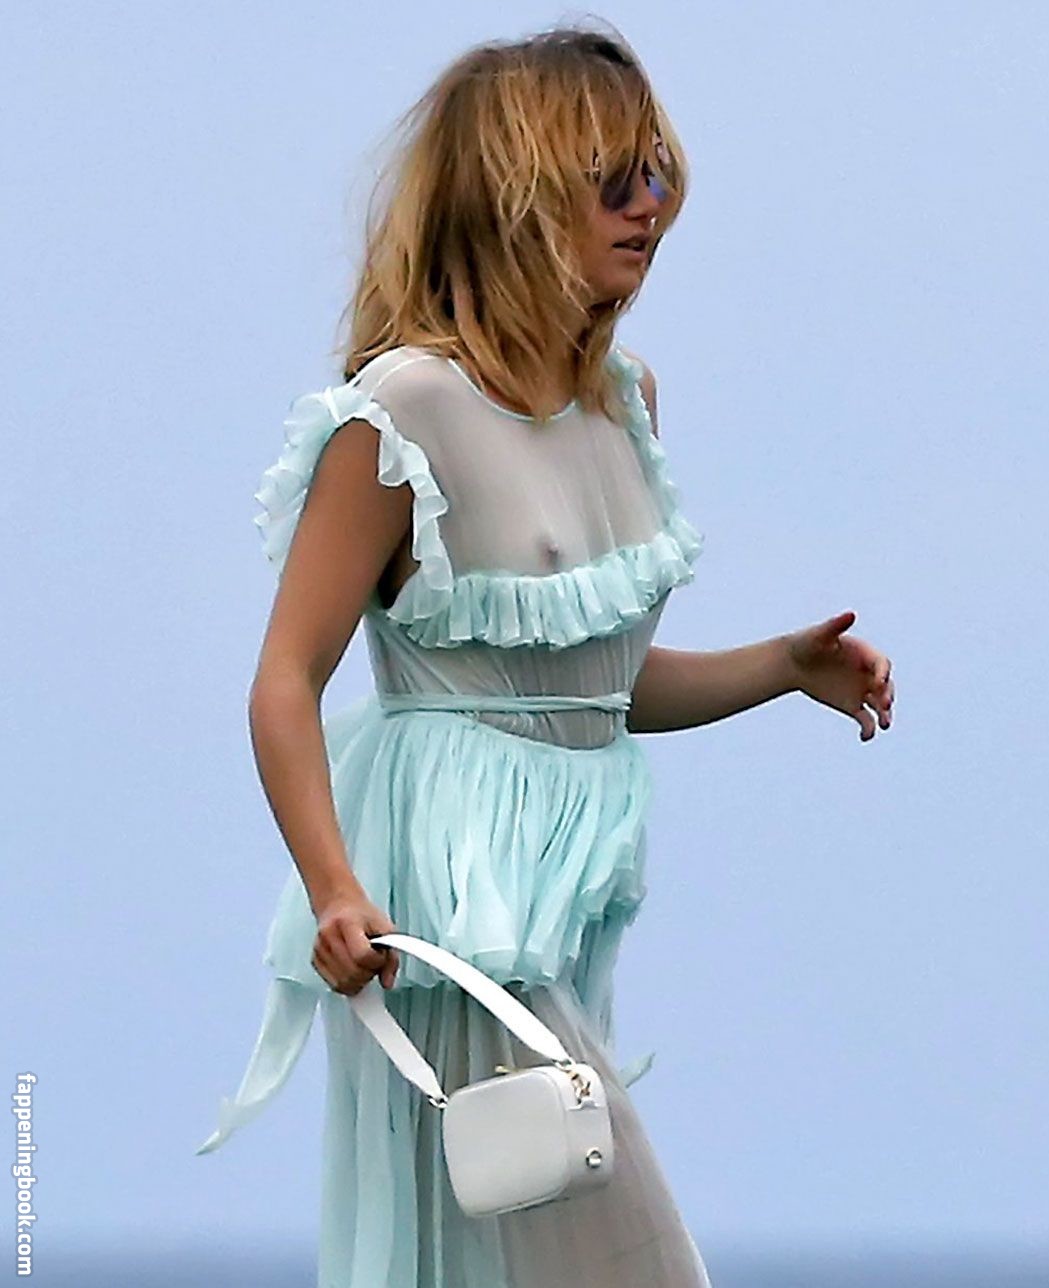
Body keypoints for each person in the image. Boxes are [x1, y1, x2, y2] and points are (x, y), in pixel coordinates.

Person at [195, 20, 894, 1288]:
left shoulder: (623, 400)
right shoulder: (403, 409)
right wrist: (334, 887)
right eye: (610, 178)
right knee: (628, 1264)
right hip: (447, 907)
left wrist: (781, 666)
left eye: (657, 175)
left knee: (519, 1261)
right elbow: (284, 678)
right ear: (511, 196)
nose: (647, 206)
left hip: (551, 910)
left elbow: (588, 692)